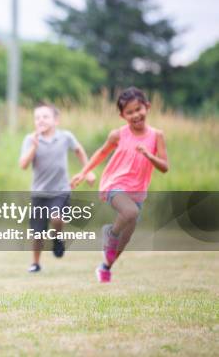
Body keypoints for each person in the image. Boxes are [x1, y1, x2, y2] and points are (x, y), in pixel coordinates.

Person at [71, 87, 169, 283]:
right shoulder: (119, 135)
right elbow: (101, 153)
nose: (135, 115)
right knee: (130, 213)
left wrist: (149, 155)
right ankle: (110, 233)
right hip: (115, 184)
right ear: (122, 115)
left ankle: (105, 267)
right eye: (129, 112)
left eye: (138, 109)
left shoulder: (157, 136)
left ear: (147, 107)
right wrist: (83, 172)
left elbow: (165, 167)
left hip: (138, 191)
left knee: (126, 237)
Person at [19, 102, 95, 273]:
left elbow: (79, 151)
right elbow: (23, 164)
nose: (41, 120)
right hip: (39, 193)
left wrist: (87, 172)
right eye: (37, 118)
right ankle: (36, 263)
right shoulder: (30, 140)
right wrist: (34, 147)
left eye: (45, 116)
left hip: (60, 190)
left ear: (56, 120)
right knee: (37, 233)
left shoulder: (65, 137)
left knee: (57, 217)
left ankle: (58, 237)